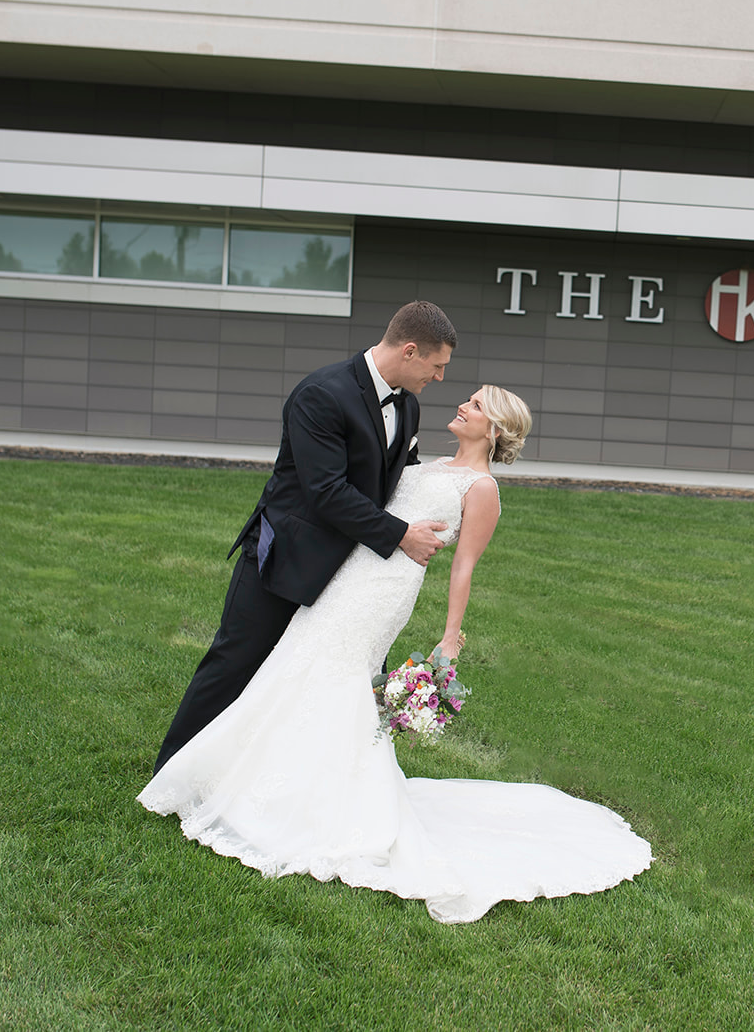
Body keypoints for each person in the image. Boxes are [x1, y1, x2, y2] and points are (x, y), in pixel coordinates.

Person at [139, 385, 652, 923]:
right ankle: (262, 777)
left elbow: (463, 566)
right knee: (296, 663)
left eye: (475, 406)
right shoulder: (428, 462)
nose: (462, 405)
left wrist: (450, 638)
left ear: (495, 430)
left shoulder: (482, 490)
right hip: (346, 576)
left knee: (337, 676)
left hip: (384, 593)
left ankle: (323, 802)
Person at [152, 301, 455, 775]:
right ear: (411, 350)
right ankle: (173, 769)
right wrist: (400, 536)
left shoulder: (408, 405)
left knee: (326, 676)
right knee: (236, 662)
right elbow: (325, 492)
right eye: (436, 367)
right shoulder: (322, 394)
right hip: (287, 555)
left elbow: (400, 477)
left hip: (351, 571)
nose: (439, 378)